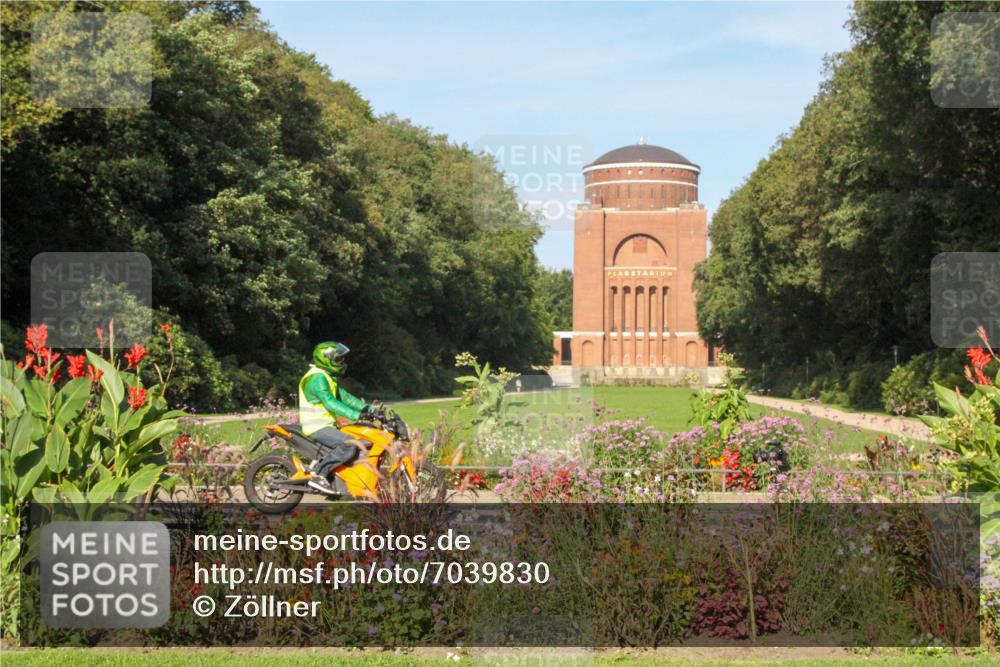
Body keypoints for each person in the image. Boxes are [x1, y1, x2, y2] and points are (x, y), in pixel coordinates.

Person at [298, 342, 377, 494]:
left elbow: (345, 398)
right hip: (316, 427)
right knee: (350, 445)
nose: (342, 363)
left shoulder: (326, 376)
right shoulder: (316, 378)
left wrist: (369, 409)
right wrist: (357, 415)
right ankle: (318, 474)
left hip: (326, 425)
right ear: (325, 359)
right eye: (338, 360)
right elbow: (330, 402)